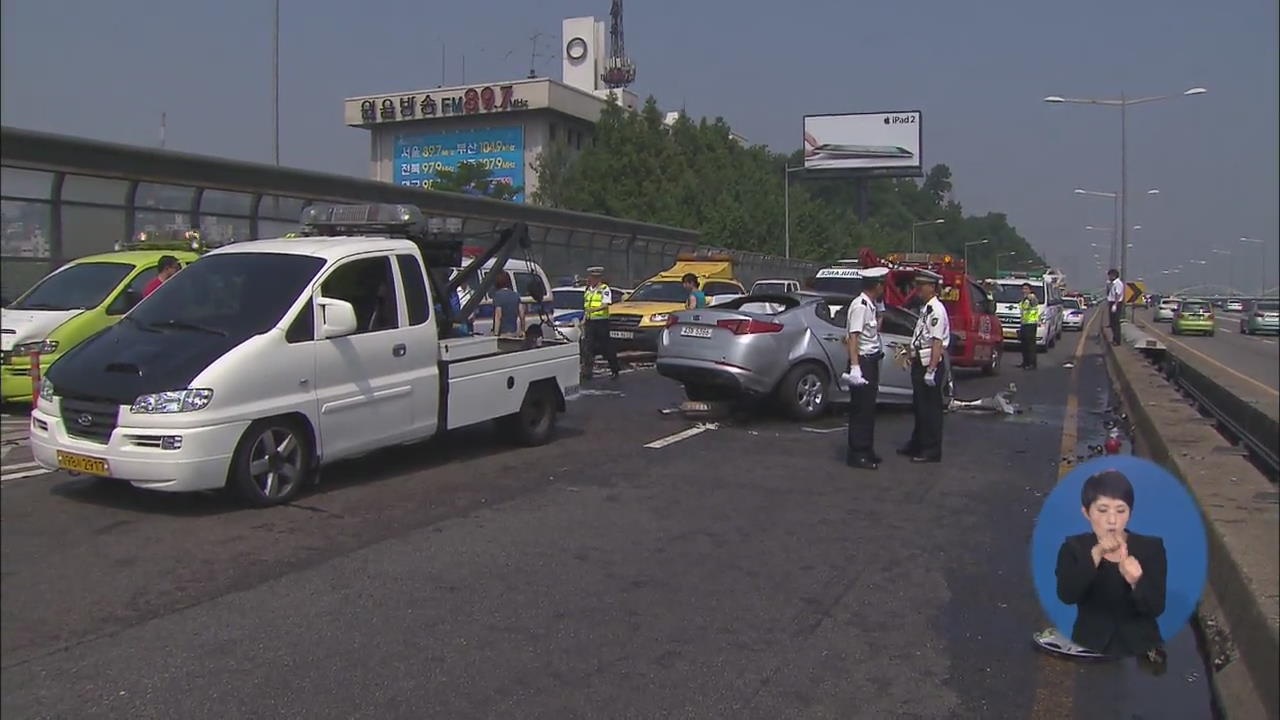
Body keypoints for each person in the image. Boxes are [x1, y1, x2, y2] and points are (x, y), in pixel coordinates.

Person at [1055, 470, 1167, 658]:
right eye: (1102, 510)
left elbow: (1156, 608)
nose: (1112, 520)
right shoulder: (1073, 548)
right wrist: (1095, 555)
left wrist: (1135, 581)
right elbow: (1067, 595)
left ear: (1130, 513)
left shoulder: (1151, 548)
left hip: (1140, 650)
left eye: (1121, 510)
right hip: (1090, 646)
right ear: (1086, 512)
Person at [899, 273, 950, 463]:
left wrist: (931, 370)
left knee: (930, 409)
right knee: (920, 406)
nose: (918, 289)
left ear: (932, 287)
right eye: (917, 285)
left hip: (931, 362)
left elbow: (937, 342)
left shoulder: (936, 310)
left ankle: (931, 449)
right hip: (921, 360)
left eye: (922, 285)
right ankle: (917, 443)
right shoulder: (926, 309)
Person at [842, 267, 888, 470]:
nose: (884, 288)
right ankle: (858, 453)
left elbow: (874, 331)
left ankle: (866, 448)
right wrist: (855, 367)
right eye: (883, 285)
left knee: (868, 408)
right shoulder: (860, 306)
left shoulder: (870, 305)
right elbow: (854, 337)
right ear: (877, 285)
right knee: (861, 409)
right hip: (862, 362)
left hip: (870, 360)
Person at [581, 266, 620, 380]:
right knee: (588, 347)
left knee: (606, 347)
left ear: (598, 278)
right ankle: (587, 372)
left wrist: (593, 310)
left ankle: (614, 369)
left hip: (601, 322)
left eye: (594, 277)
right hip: (590, 322)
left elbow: (606, 304)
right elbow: (586, 306)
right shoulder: (588, 290)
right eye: (591, 277)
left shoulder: (604, 289)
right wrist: (584, 319)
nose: (591, 279)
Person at [491, 272, 525, 338]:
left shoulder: (497, 296)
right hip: (514, 332)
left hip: (503, 334)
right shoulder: (516, 295)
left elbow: (498, 316)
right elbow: (522, 314)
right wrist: (522, 330)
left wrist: (496, 333)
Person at [1017, 282, 1040, 369]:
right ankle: (1025, 362)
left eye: (1026, 289)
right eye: (1023, 289)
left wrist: (1031, 297)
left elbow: (1035, 302)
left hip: (1031, 324)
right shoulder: (1024, 300)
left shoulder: (1031, 297)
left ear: (1030, 290)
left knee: (1030, 345)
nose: (1024, 291)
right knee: (1024, 345)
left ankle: (1032, 364)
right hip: (1024, 323)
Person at [1106, 269, 1124, 346]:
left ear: (1114, 275)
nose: (1109, 277)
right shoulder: (1113, 283)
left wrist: (1115, 305)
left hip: (1116, 303)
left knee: (1116, 322)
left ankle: (1117, 340)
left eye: (1110, 275)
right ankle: (1114, 339)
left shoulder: (1118, 283)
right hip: (1112, 302)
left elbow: (1118, 294)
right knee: (1112, 323)